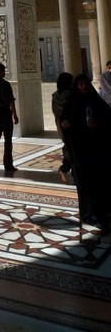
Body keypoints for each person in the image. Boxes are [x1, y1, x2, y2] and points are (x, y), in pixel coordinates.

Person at [60, 73, 111, 231]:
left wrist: (99, 124)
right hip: (79, 152)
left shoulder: (97, 102)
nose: (83, 87)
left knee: (99, 182)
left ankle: (101, 213)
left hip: (96, 150)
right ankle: (87, 213)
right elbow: (63, 120)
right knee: (83, 184)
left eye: (85, 83)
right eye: (80, 84)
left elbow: (108, 120)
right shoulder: (71, 103)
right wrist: (64, 123)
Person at [51, 71, 73, 181]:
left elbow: (54, 111)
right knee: (72, 147)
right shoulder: (71, 95)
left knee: (68, 145)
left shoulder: (55, 96)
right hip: (70, 124)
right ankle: (66, 169)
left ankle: (66, 169)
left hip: (60, 124)